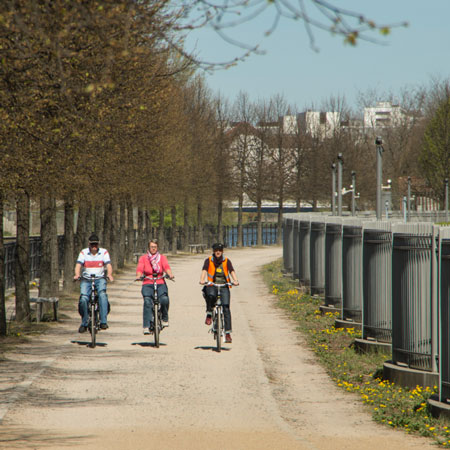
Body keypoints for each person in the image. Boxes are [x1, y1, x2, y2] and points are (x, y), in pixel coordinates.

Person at [199, 243, 239, 343]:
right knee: (211, 296)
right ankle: (209, 314)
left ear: (222, 251)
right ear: (213, 251)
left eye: (220, 250)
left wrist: (235, 280)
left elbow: (232, 271)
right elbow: (204, 270)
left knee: (226, 308)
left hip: (224, 286)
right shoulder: (208, 260)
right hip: (212, 285)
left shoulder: (226, 261)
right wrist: (202, 280)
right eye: (216, 250)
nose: (218, 252)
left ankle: (228, 333)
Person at [74, 233, 114, 333]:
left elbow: (108, 265)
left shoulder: (104, 252)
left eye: (96, 244)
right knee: (83, 298)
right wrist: (77, 275)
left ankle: (103, 321)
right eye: (92, 245)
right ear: (89, 244)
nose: (94, 247)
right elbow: (78, 265)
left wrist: (109, 274)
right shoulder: (83, 252)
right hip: (86, 279)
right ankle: (84, 322)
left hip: (100, 278)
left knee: (102, 295)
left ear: (98, 244)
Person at [136, 239, 174, 335]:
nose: (153, 248)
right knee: (147, 301)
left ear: (157, 248)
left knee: (164, 299)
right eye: (152, 247)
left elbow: (166, 267)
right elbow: (140, 268)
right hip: (148, 283)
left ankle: (164, 318)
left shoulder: (162, 258)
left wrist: (170, 274)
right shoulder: (143, 258)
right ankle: (146, 325)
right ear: (149, 247)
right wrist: (139, 275)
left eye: (155, 247)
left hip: (160, 281)